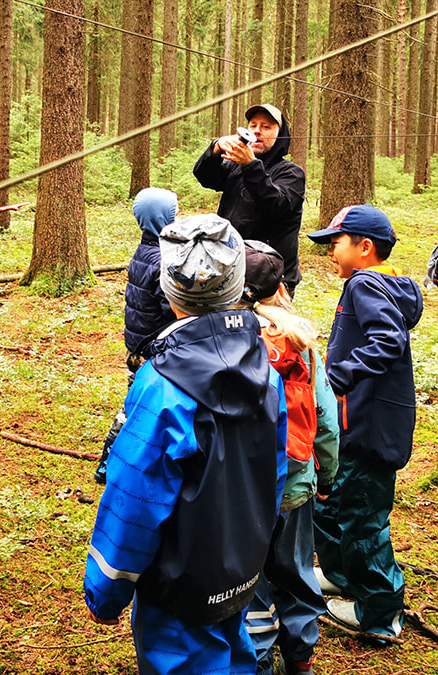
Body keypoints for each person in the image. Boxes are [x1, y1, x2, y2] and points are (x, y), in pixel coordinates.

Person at [84, 214, 289, 675]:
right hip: (240, 569)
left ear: (169, 292)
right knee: (235, 655)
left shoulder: (161, 387)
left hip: (177, 585)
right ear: (235, 285)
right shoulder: (266, 368)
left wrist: (106, 589)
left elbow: (134, 499)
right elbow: (274, 475)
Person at [305, 204, 424, 644]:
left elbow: (387, 340)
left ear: (365, 247)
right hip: (356, 426)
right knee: (330, 505)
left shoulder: (364, 283)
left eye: (335, 243)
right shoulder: (375, 284)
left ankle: (379, 612)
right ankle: (340, 575)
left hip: (367, 432)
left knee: (362, 519)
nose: (330, 252)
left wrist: (334, 379)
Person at [237, 243, 340, 675]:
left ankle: (257, 657)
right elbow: (327, 422)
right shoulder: (303, 343)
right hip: (297, 484)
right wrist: (327, 478)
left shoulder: (230, 341)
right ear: (281, 288)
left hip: (245, 490)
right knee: (297, 571)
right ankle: (301, 659)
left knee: (252, 580)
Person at [93, 187, 180, 484]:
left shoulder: (144, 251)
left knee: (136, 404)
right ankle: (109, 461)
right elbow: (171, 308)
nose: (178, 216)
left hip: (139, 346)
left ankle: (117, 461)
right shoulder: (163, 260)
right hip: (153, 349)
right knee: (135, 407)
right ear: (163, 219)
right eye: (174, 212)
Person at [192, 103, 306, 295]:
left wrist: (250, 165)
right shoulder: (235, 166)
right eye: (253, 125)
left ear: (280, 134)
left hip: (271, 279)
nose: (257, 131)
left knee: (266, 326)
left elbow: (276, 206)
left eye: (266, 127)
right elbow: (205, 177)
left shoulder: (291, 173)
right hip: (230, 270)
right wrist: (215, 148)